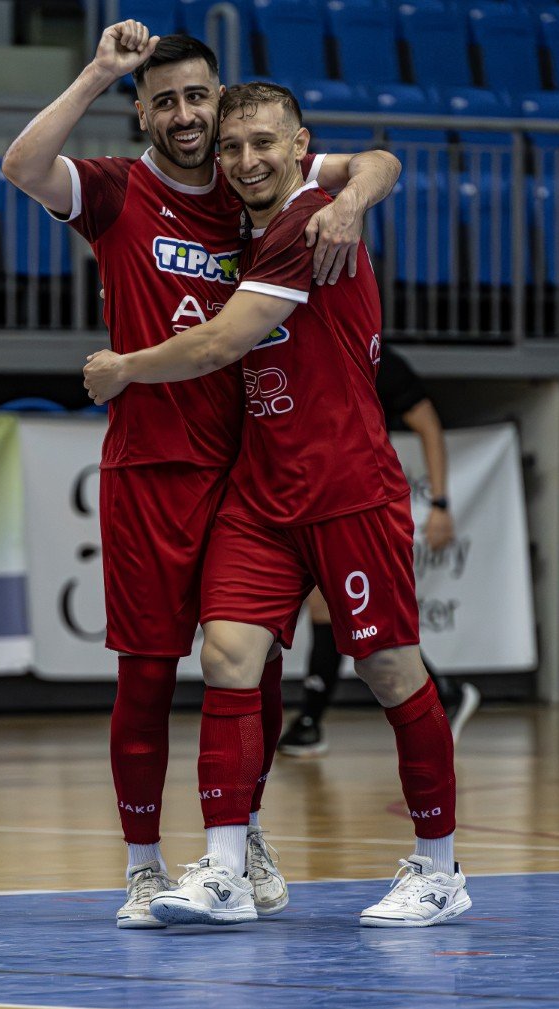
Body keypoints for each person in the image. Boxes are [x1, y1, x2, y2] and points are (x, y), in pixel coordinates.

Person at [0, 23, 400, 930]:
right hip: (149, 467)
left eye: (199, 98)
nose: (185, 114)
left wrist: (352, 205)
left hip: (246, 470)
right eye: (166, 98)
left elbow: (375, 162)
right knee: (145, 677)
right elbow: (23, 167)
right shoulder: (113, 190)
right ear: (142, 110)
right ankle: (142, 865)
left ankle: (238, 839)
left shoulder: (251, 182)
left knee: (243, 669)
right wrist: (99, 69)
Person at [83, 82, 469, 930]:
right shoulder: (252, 213)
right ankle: (224, 871)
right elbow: (377, 163)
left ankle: (439, 867)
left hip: (345, 486)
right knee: (227, 656)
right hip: (261, 491)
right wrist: (364, 186)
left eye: (264, 144)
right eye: (232, 147)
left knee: (390, 670)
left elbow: (224, 340)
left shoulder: (306, 222)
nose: (247, 160)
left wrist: (124, 369)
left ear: (300, 147)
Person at [279, 351, 481, 758]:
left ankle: (313, 720)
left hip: (363, 501)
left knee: (359, 613)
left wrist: (440, 504)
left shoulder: (375, 357)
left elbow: (428, 425)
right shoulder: (295, 351)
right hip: (313, 497)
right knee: (337, 609)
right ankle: (312, 721)